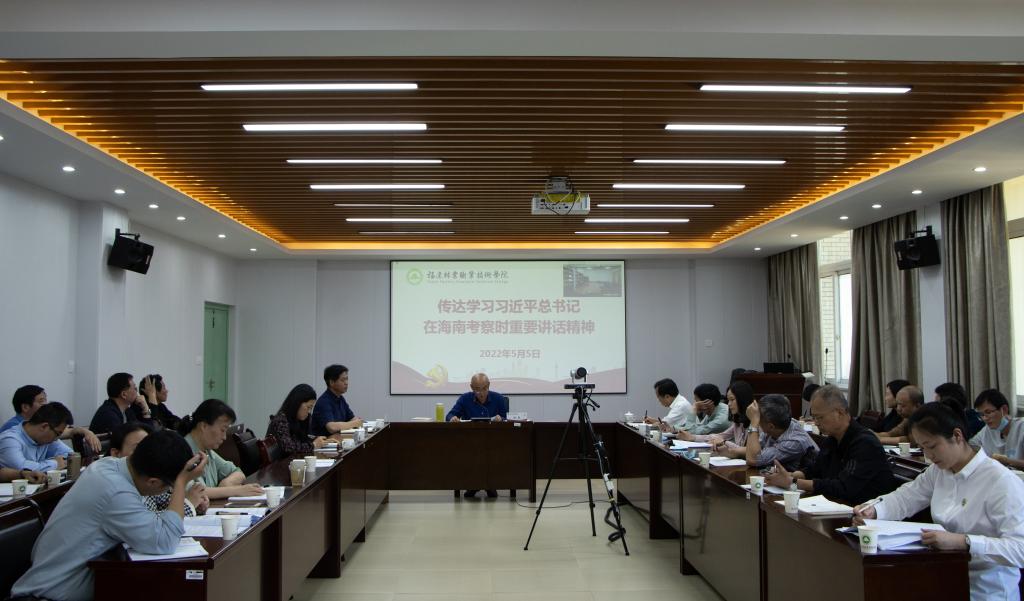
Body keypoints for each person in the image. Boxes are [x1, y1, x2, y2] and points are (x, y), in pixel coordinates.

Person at [854, 400, 1024, 601]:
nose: (928, 455)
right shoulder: (939, 471)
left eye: (932, 446)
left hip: (986, 591)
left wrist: (964, 542)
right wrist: (874, 509)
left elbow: (1019, 549)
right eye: (922, 447)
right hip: (942, 579)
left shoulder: (1001, 481)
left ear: (957, 436)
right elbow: (907, 497)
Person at [10, 430, 207, 601]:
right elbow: (165, 541)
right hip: (48, 596)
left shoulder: (108, 466)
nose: (169, 491)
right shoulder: (116, 490)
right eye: (169, 487)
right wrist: (181, 482)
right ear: (153, 482)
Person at [766, 385, 899, 505]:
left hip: (865, 512)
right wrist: (791, 475)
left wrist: (793, 483)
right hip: (838, 505)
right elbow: (816, 469)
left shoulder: (865, 443)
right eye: (814, 417)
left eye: (820, 417)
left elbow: (844, 487)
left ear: (839, 413)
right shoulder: (832, 439)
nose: (816, 422)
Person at [109, 422, 208, 516]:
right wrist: (189, 504)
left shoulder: (147, 478)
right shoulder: (119, 492)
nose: (147, 453)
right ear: (116, 454)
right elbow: (156, 523)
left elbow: (166, 501)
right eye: (138, 448)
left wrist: (195, 501)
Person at [177, 398, 263, 500]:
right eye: (222, 430)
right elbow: (193, 491)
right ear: (204, 426)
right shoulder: (180, 451)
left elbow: (238, 472)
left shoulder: (207, 451)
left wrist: (227, 483)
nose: (224, 437)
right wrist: (236, 490)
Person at [447, 373, 507, 498]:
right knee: (470, 451)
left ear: (489, 385)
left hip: (493, 440)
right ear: (471, 387)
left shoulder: (499, 398)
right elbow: (450, 415)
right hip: (470, 440)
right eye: (477, 389)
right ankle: (473, 485)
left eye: (484, 388)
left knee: (492, 451)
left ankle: (490, 485)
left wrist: (500, 419)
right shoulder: (464, 399)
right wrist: (453, 418)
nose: (481, 393)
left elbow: (506, 419)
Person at [722, 393, 817, 470]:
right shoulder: (776, 426)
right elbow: (757, 450)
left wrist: (753, 423)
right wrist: (733, 452)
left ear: (771, 426)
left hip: (798, 485)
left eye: (759, 419)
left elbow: (753, 459)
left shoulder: (794, 441)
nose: (758, 422)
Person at [3, 385, 102, 453]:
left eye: (45, 400)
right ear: (25, 407)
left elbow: (66, 433)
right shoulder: (13, 428)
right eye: (41, 401)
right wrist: (55, 462)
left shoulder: (43, 428)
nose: (46, 405)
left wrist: (86, 431)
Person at [0, 402, 73, 472]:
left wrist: (47, 464)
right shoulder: (10, 439)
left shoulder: (45, 438)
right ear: (44, 426)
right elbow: (21, 468)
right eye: (57, 434)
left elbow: (70, 455)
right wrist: (54, 463)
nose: (56, 439)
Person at [682, 380, 754, 448]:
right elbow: (720, 436)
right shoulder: (738, 420)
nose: (729, 404)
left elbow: (748, 450)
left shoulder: (722, 418)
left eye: (732, 400)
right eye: (728, 400)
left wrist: (694, 409)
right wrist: (692, 437)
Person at [267, 384, 330, 455]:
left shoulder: (298, 419)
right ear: (297, 403)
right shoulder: (280, 420)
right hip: (281, 461)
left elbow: (304, 439)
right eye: (308, 407)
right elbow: (288, 447)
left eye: (311, 408)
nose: (309, 412)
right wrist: (314, 445)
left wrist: (322, 441)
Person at [970, 389, 1024, 470]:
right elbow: (971, 446)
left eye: (988, 412)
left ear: (1004, 409)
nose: (985, 418)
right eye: (981, 415)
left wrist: (1007, 461)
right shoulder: (988, 430)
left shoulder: (1021, 427)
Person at [88, 372, 154, 435]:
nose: (137, 392)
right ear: (124, 394)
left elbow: (148, 434)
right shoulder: (108, 415)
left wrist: (145, 409)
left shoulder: (127, 411)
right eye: (135, 388)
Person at [312, 364, 363, 436]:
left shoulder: (340, 398)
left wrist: (357, 421)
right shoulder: (323, 402)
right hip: (325, 441)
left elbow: (352, 418)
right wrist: (354, 423)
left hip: (338, 439)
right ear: (332, 382)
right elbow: (332, 427)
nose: (346, 383)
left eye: (347, 379)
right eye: (342, 380)